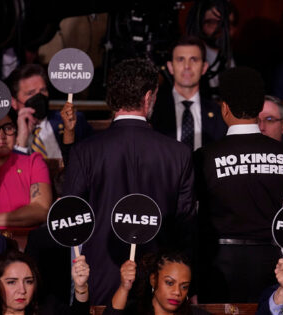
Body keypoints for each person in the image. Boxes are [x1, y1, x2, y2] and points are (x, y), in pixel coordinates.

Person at [63, 58, 196, 305]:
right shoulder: (179, 153)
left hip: (99, 278)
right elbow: (185, 225)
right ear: (148, 98)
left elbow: (70, 217)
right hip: (161, 283)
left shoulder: (85, 151)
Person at [194, 67, 283, 303]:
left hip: (216, 266)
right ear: (258, 109)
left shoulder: (203, 156)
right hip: (273, 266)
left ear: (224, 107)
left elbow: (191, 220)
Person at [0, 113, 52, 229]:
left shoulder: (33, 162)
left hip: (26, 242)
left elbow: (41, 210)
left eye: (8, 128)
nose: (2, 136)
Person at [150, 36, 227, 151]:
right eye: (180, 59)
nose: (187, 66)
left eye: (194, 59)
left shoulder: (219, 114)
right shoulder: (154, 111)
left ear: (204, 67)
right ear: (170, 67)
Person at [6, 64, 93, 162]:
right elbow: (13, 173)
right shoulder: (6, 133)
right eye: (31, 93)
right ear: (13, 102)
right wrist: (22, 138)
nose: (39, 97)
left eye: (43, 90)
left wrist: (69, 132)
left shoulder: (73, 121)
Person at [103, 252, 209, 315]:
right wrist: (124, 288)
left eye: (184, 286)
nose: (177, 292)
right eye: (169, 283)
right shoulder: (134, 311)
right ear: (153, 280)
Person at [0, 250, 90, 315]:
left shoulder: (49, 308)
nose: (22, 290)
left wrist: (80, 287)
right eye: (11, 282)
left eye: (28, 281)